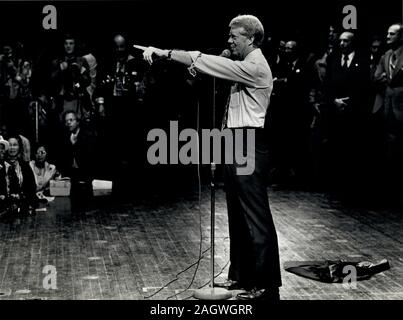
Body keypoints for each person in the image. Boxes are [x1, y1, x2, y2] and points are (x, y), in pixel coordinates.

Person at [140, 14, 281, 300]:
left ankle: (266, 284)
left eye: (235, 35)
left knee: (254, 215)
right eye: (229, 35)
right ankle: (242, 277)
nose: (229, 40)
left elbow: (202, 59)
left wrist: (164, 53)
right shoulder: (242, 65)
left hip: (248, 140)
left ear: (251, 38)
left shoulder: (255, 66)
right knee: (237, 215)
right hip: (234, 139)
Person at [373, 23, 403, 201]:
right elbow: (377, 76)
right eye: (387, 33)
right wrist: (384, 78)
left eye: (392, 34)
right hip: (387, 106)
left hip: (401, 105)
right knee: (389, 147)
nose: (388, 37)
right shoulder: (386, 55)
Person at [60, 110, 96, 209]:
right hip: (73, 174)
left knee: (88, 205)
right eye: (66, 121)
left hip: (86, 172)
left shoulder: (87, 135)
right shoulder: (66, 137)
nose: (68, 123)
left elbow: (90, 156)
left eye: (71, 120)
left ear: (77, 121)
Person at [6, 135, 38, 214]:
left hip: (22, 207)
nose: (12, 148)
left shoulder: (25, 166)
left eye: (15, 145)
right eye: (10, 145)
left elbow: (32, 188)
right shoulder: (2, 165)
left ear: (19, 148)